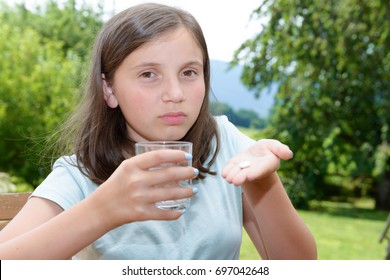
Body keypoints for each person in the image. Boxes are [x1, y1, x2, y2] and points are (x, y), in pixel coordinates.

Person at [0, 3, 316, 260]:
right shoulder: (77, 174)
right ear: (108, 89)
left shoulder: (226, 142)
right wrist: (103, 210)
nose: (175, 92)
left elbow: (300, 266)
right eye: (149, 74)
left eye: (189, 72)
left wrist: (263, 183)